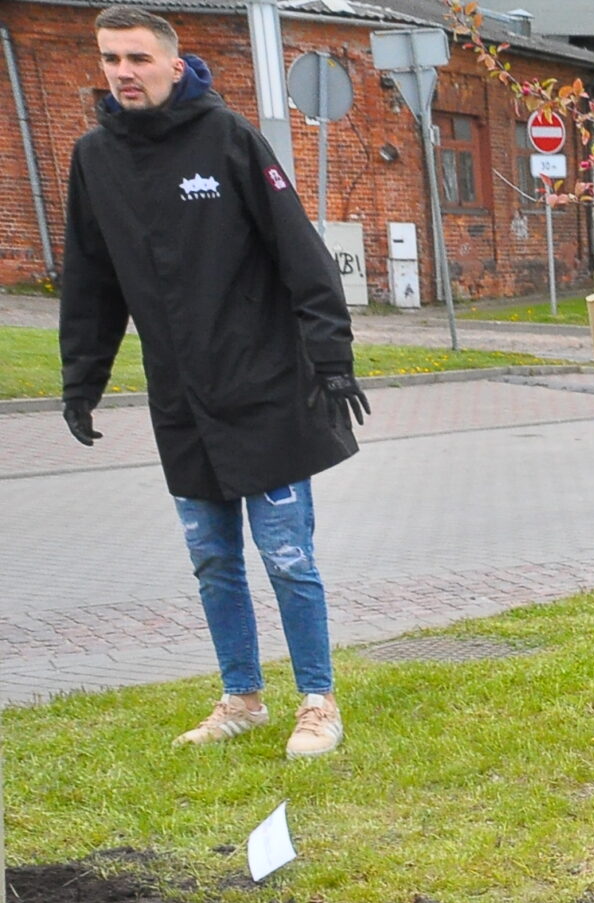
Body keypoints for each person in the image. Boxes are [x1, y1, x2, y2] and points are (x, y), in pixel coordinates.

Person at [60, 5, 362, 757]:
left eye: (137, 57)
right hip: (181, 400)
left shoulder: (227, 138)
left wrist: (331, 360)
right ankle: (242, 697)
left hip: (265, 388)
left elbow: (302, 254)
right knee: (212, 558)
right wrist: (81, 381)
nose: (123, 72)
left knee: (287, 556)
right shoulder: (94, 158)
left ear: (173, 62)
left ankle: (318, 701)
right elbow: (91, 283)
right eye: (110, 59)